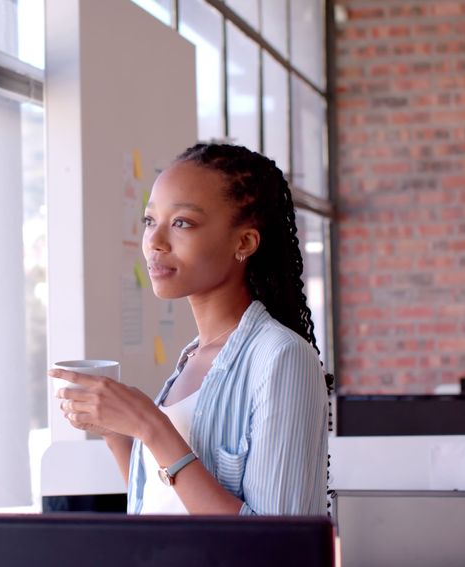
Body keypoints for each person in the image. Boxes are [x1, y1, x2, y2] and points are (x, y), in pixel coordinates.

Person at [50, 143, 331, 516]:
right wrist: (117, 433)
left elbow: (275, 547)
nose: (155, 241)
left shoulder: (282, 358)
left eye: (182, 222)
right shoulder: (193, 357)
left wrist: (151, 426)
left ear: (244, 242)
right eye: (150, 221)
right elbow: (160, 506)